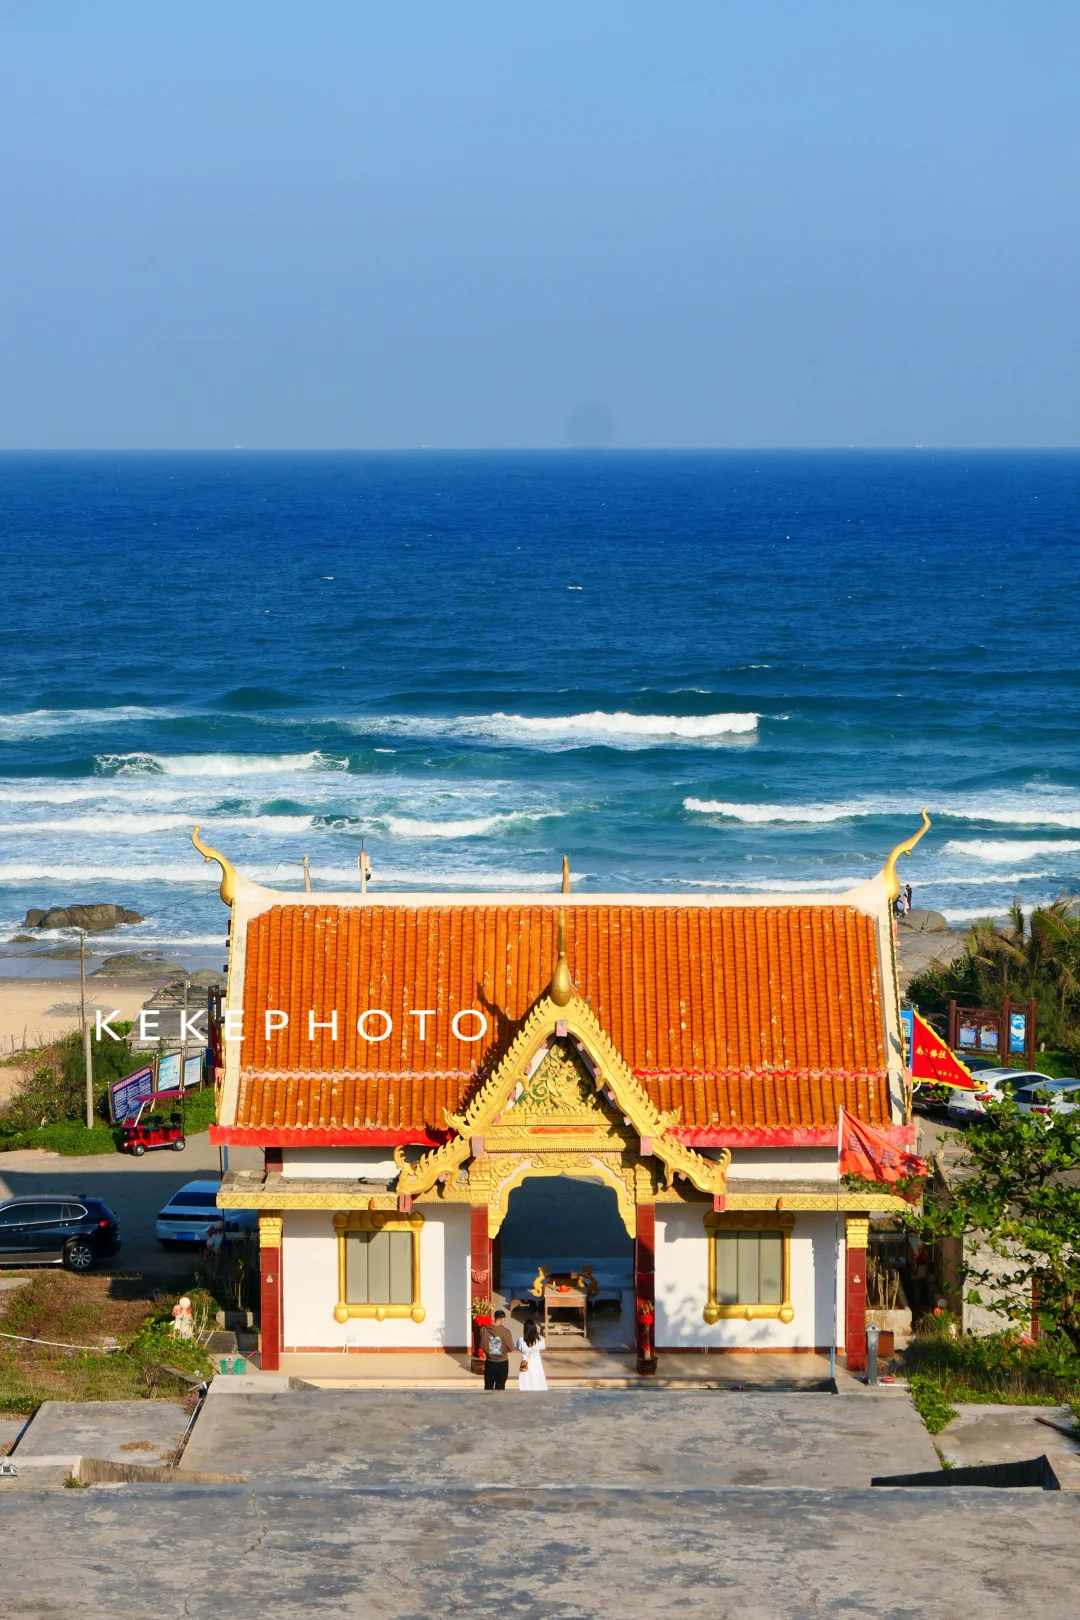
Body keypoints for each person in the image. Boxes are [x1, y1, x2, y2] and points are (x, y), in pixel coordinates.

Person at [482, 1309, 516, 1391]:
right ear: (503, 1318)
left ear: (495, 1317)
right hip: (502, 1363)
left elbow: (482, 1345)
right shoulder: (506, 1332)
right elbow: (511, 1348)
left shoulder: (485, 1330)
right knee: (500, 1387)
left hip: (489, 1362)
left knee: (488, 1387)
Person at [516, 1317, 548, 1392]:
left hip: (525, 1365)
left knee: (525, 1385)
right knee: (538, 1385)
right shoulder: (540, 1341)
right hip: (537, 1365)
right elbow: (543, 1347)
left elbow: (518, 1347)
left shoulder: (521, 1341)